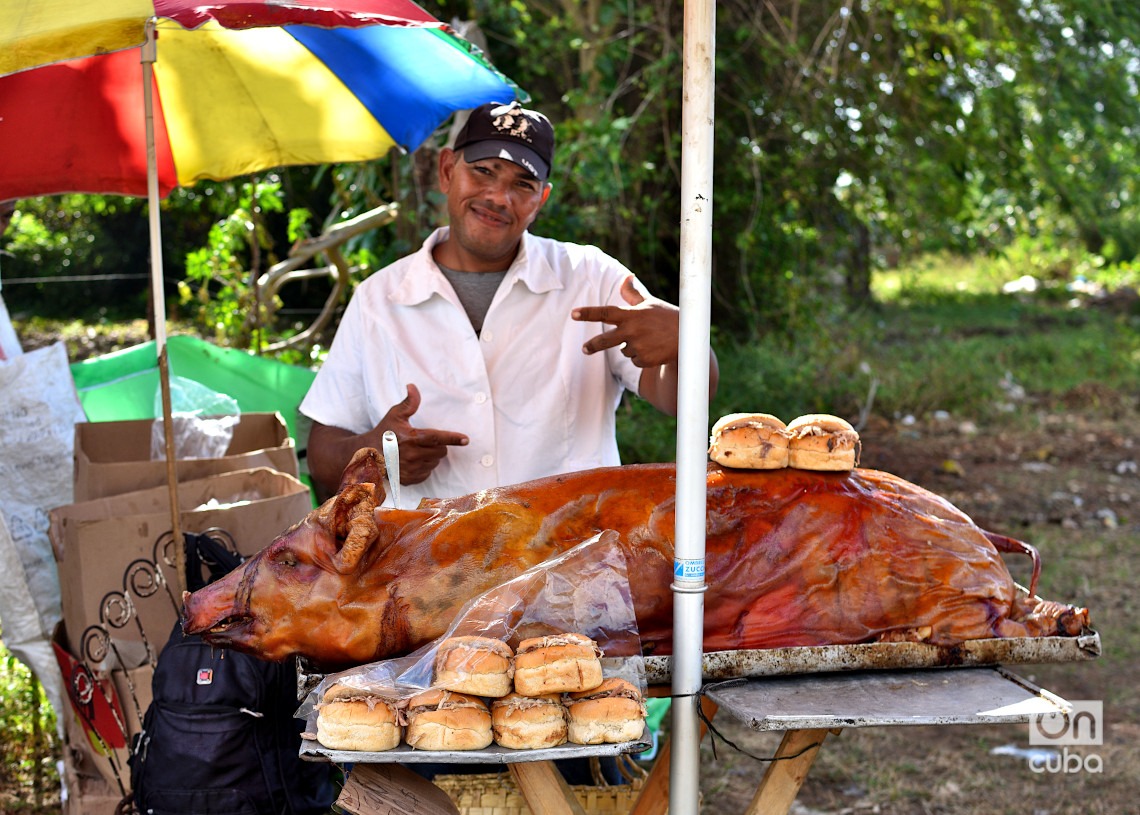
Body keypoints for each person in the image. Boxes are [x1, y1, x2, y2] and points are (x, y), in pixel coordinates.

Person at [301, 100, 719, 504]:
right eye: (483, 172)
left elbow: (683, 400)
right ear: (447, 171)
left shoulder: (592, 278)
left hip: (570, 559)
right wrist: (376, 452)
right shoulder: (379, 298)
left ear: (541, 200)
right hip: (425, 565)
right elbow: (321, 455)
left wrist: (687, 344)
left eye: (522, 184)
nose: (499, 197)